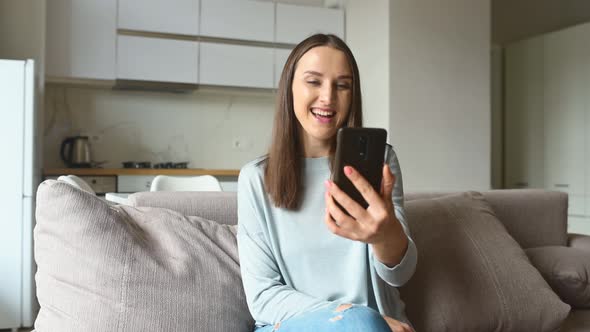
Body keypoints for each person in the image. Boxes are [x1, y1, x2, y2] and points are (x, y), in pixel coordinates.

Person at [236, 33, 417, 332]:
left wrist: (385, 235)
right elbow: (263, 297)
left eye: (342, 85)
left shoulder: (380, 162)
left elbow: (401, 276)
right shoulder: (255, 179)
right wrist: (351, 316)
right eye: (313, 81)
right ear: (290, 88)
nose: (328, 97)